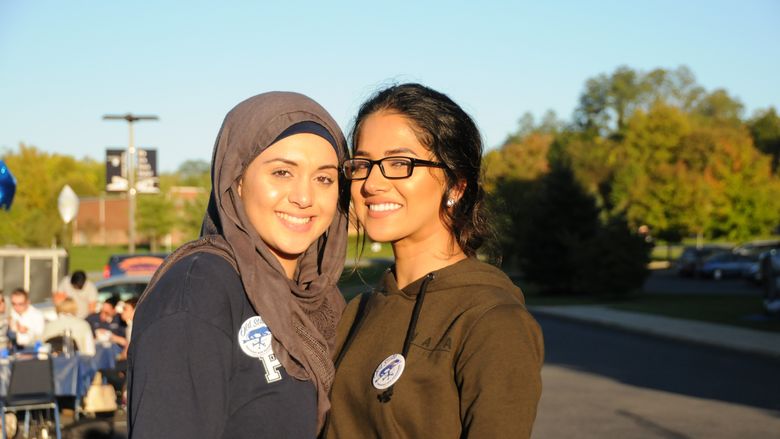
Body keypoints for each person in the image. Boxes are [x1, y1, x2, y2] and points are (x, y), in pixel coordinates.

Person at [325, 83, 544, 438]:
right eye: (363, 164)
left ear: (456, 185)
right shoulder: (356, 311)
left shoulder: (492, 320)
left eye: (400, 163)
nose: (372, 183)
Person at [128, 92, 349, 439]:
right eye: (282, 172)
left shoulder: (326, 302)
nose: (304, 197)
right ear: (237, 179)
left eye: (324, 178)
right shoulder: (198, 290)